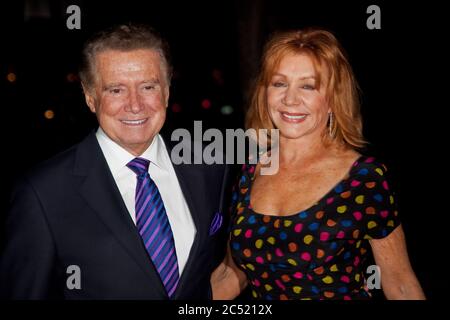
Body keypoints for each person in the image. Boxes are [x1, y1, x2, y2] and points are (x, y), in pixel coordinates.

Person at [0, 24, 230, 299]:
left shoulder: (209, 167)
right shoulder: (42, 193)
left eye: (147, 86)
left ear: (167, 91)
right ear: (90, 96)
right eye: (116, 90)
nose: (135, 105)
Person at [211, 28, 425, 300]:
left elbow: (400, 284)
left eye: (308, 86)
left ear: (334, 98)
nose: (290, 99)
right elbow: (233, 273)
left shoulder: (364, 178)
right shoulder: (251, 173)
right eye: (279, 83)